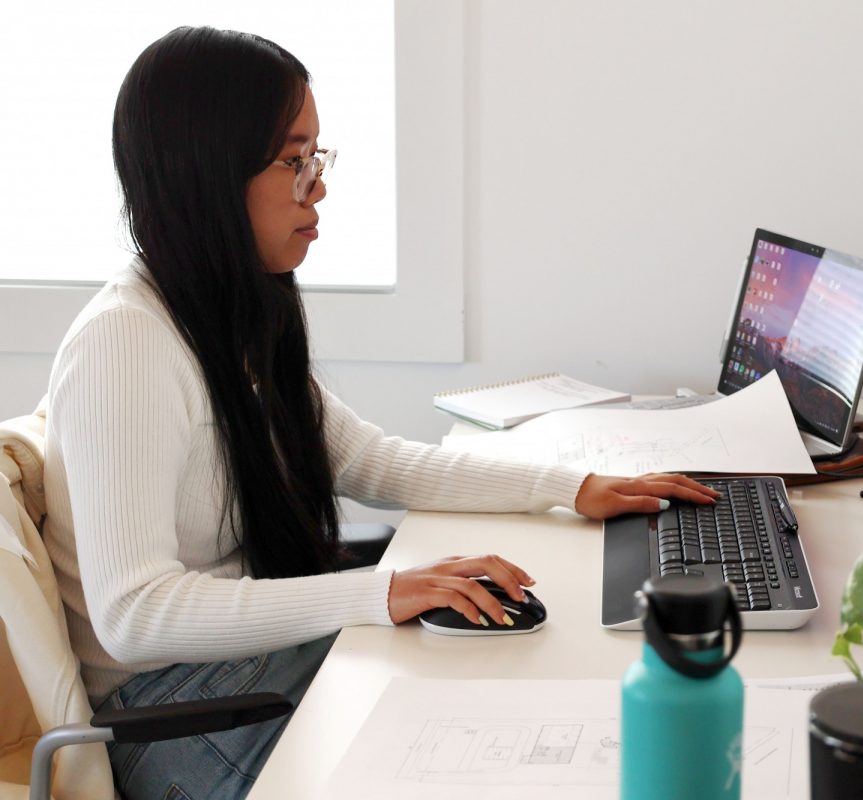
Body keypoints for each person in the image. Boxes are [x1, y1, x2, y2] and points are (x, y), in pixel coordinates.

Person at [40, 26, 718, 800]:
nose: (318, 187)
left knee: (502, 696)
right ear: (208, 174)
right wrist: (385, 589)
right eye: (294, 162)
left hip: (247, 666)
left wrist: (569, 486)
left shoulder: (234, 308)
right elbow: (137, 614)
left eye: (316, 159)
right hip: (169, 713)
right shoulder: (124, 344)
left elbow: (369, 460)